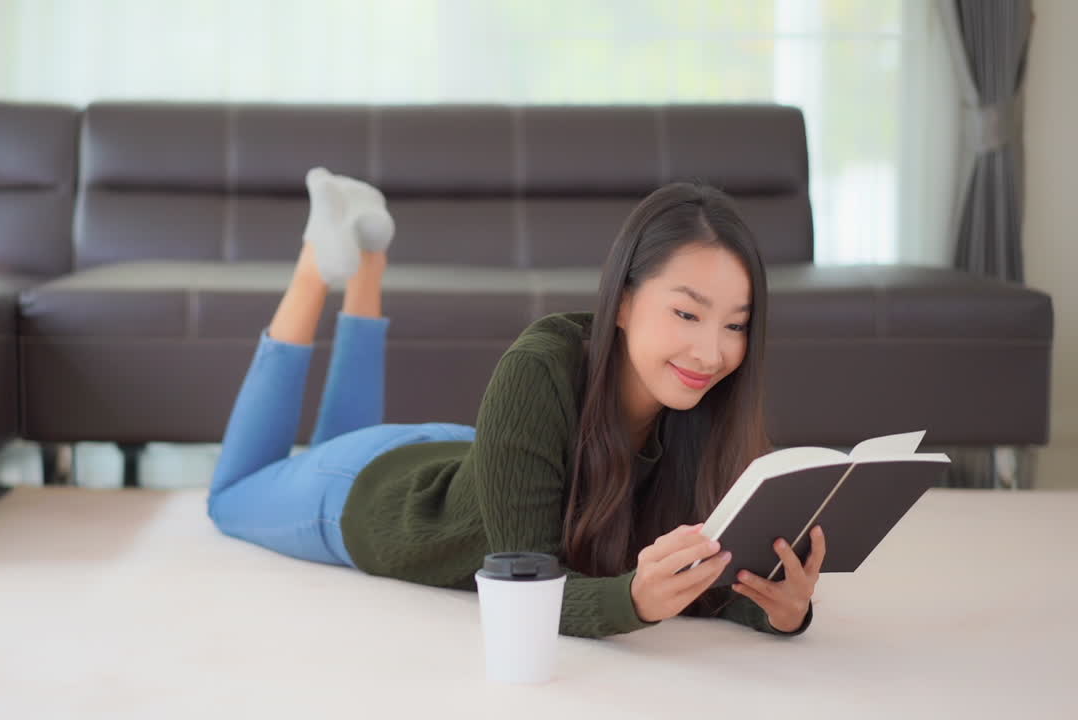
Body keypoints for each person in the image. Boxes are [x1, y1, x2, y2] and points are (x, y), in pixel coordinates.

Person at [206, 168, 824, 639]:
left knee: (329, 446)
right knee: (230, 496)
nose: (711, 353)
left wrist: (779, 608)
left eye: (735, 325)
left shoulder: (709, 411)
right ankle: (318, 263)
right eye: (687, 313)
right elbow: (521, 581)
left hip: (468, 460)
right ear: (624, 301)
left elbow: (703, 581)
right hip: (371, 494)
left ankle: (367, 254)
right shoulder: (542, 364)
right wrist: (631, 600)